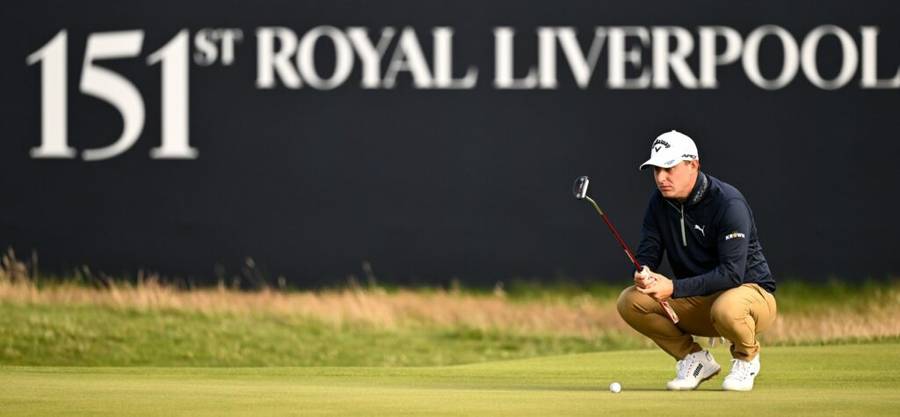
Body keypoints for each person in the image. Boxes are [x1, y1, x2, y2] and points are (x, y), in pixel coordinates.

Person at [616, 130, 777, 392]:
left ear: (693, 165)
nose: (661, 177)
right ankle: (694, 359)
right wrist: (644, 272)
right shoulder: (659, 203)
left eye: (669, 168)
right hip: (700, 300)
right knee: (631, 301)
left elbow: (732, 274)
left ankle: (747, 358)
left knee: (727, 308)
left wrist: (674, 288)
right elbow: (649, 251)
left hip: (750, 296)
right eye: (656, 170)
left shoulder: (728, 202)